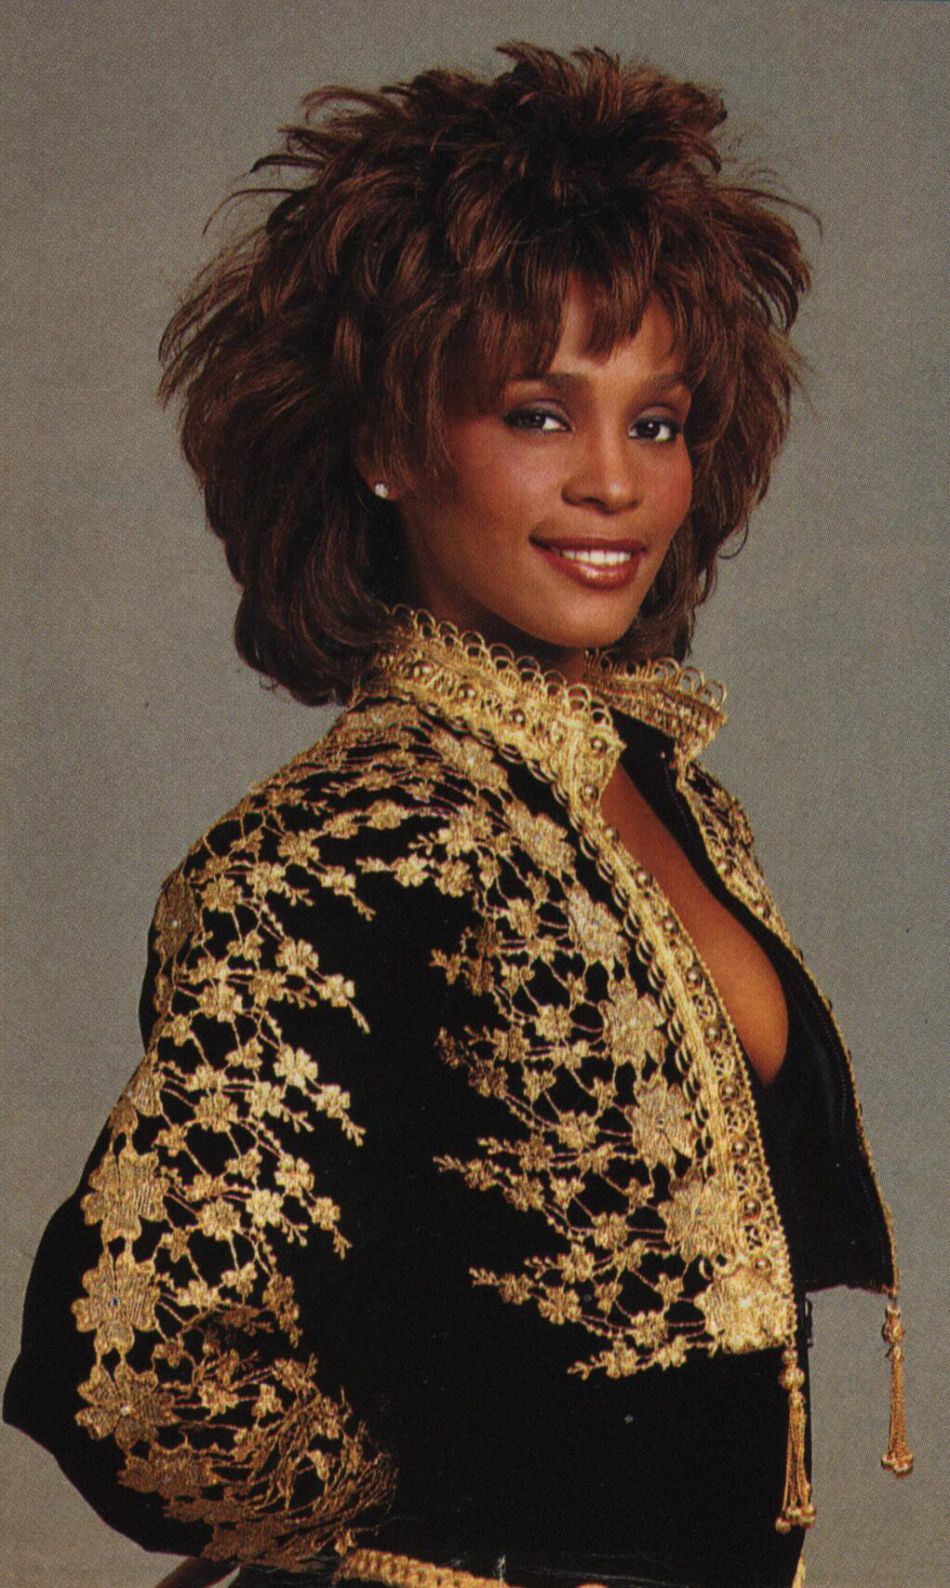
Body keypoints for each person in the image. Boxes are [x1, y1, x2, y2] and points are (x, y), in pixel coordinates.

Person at [4, 42, 912, 1588]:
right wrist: (422, 1527)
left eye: (657, 421)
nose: (614, 483)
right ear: (382, 443)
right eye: (538, 414)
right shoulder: (333, 853)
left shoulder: (667, 793)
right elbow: (140, 1379)